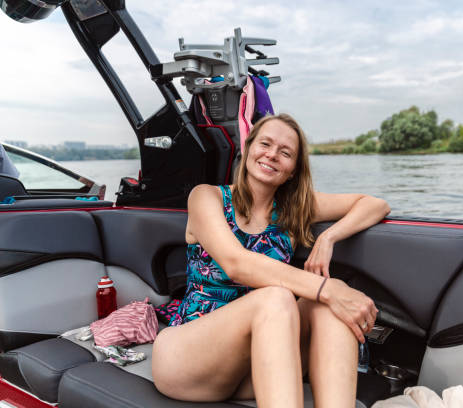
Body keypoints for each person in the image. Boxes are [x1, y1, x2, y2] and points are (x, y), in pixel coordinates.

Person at [152, 113, 390, 408]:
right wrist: (327, 287)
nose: (272, 155)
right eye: (265, 144)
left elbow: (375, 204)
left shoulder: (293, 212)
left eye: (285, 152)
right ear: (249, 149)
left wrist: (329, 238)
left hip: (256, 365)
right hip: (191, 362)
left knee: (327, 307)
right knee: (280, 298)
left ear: (292, 171)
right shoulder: (206, 198)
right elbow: (236, 263)